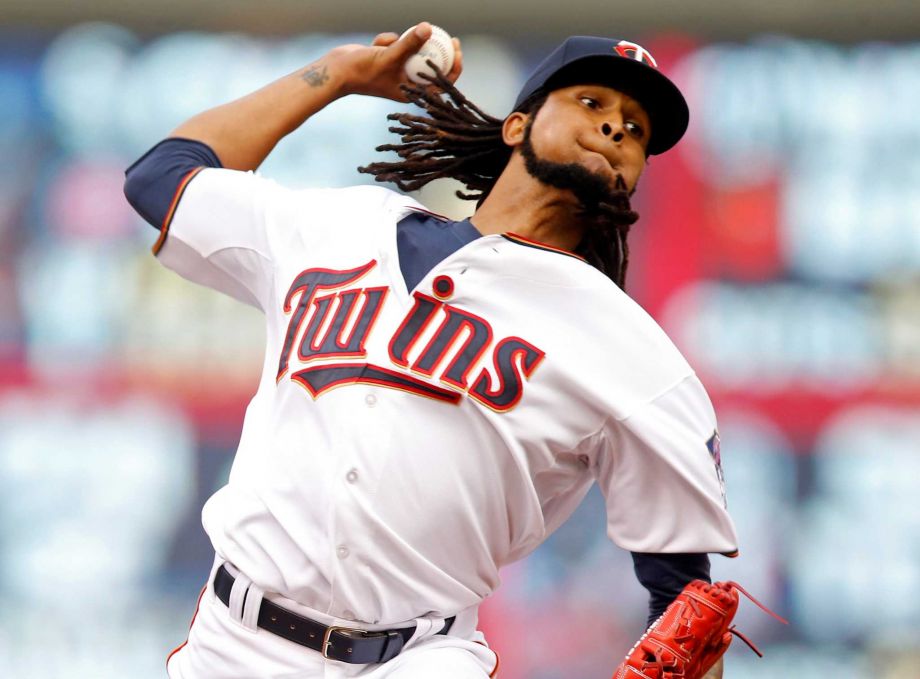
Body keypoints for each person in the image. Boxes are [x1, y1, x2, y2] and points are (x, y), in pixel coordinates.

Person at [124, 23, 738, 679]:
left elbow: (686, 605)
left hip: (422, 658)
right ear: (516, 126)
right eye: (593, 103)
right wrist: (337, 77)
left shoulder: (630, 350)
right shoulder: (343, 226)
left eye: (637, 130)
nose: (618, 128)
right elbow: (161, 178)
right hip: (233, 643)